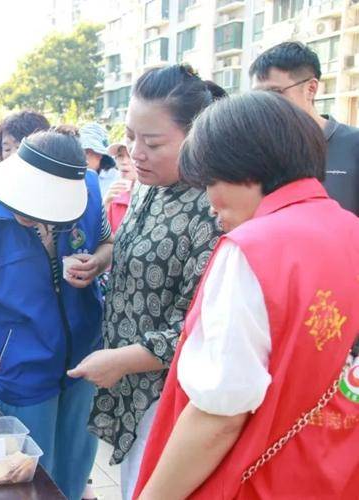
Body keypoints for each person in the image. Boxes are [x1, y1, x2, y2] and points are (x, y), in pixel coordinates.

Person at [135, 91, 359, 499]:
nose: (209, 201)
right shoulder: (349, 229)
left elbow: (219, 414)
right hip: (333, 467)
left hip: (260, 477)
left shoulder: (252, 249)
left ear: (247, 170)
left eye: (211, 181)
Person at [66, 64, 225, 500]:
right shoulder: (150, 186)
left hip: (168, 396)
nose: (135, 152)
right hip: (130, 377)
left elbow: (198, 330)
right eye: (131, 136)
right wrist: (99, 261)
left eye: (152, 142)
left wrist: (119, 361)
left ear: (197, 136)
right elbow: (128, 240)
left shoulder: (215, 208)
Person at [0, 129, 113, 500]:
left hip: (86, 360)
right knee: (28, 481)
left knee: (74, 476)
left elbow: (107, 243)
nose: (27, 216)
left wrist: (96, 262)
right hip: (20, 368)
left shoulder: (89, 193)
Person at [250, 41, 359, 217]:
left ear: (311, 88)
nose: (265, 103)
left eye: (275, 92)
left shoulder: (353, 145)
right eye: (257, 96)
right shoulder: (259, 151)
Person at [104, 142, 138, 236]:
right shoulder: (114, 196)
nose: (124, 161)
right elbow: (103, 238)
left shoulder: (153, 194)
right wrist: (105, 204)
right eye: (120, 156)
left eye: (130, 156)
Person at [79, 122, 119, 196]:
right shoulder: (74, 174)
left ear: (100, 155)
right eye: (80, 151)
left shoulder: (115, 178)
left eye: (87, 152)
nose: (82, 157)